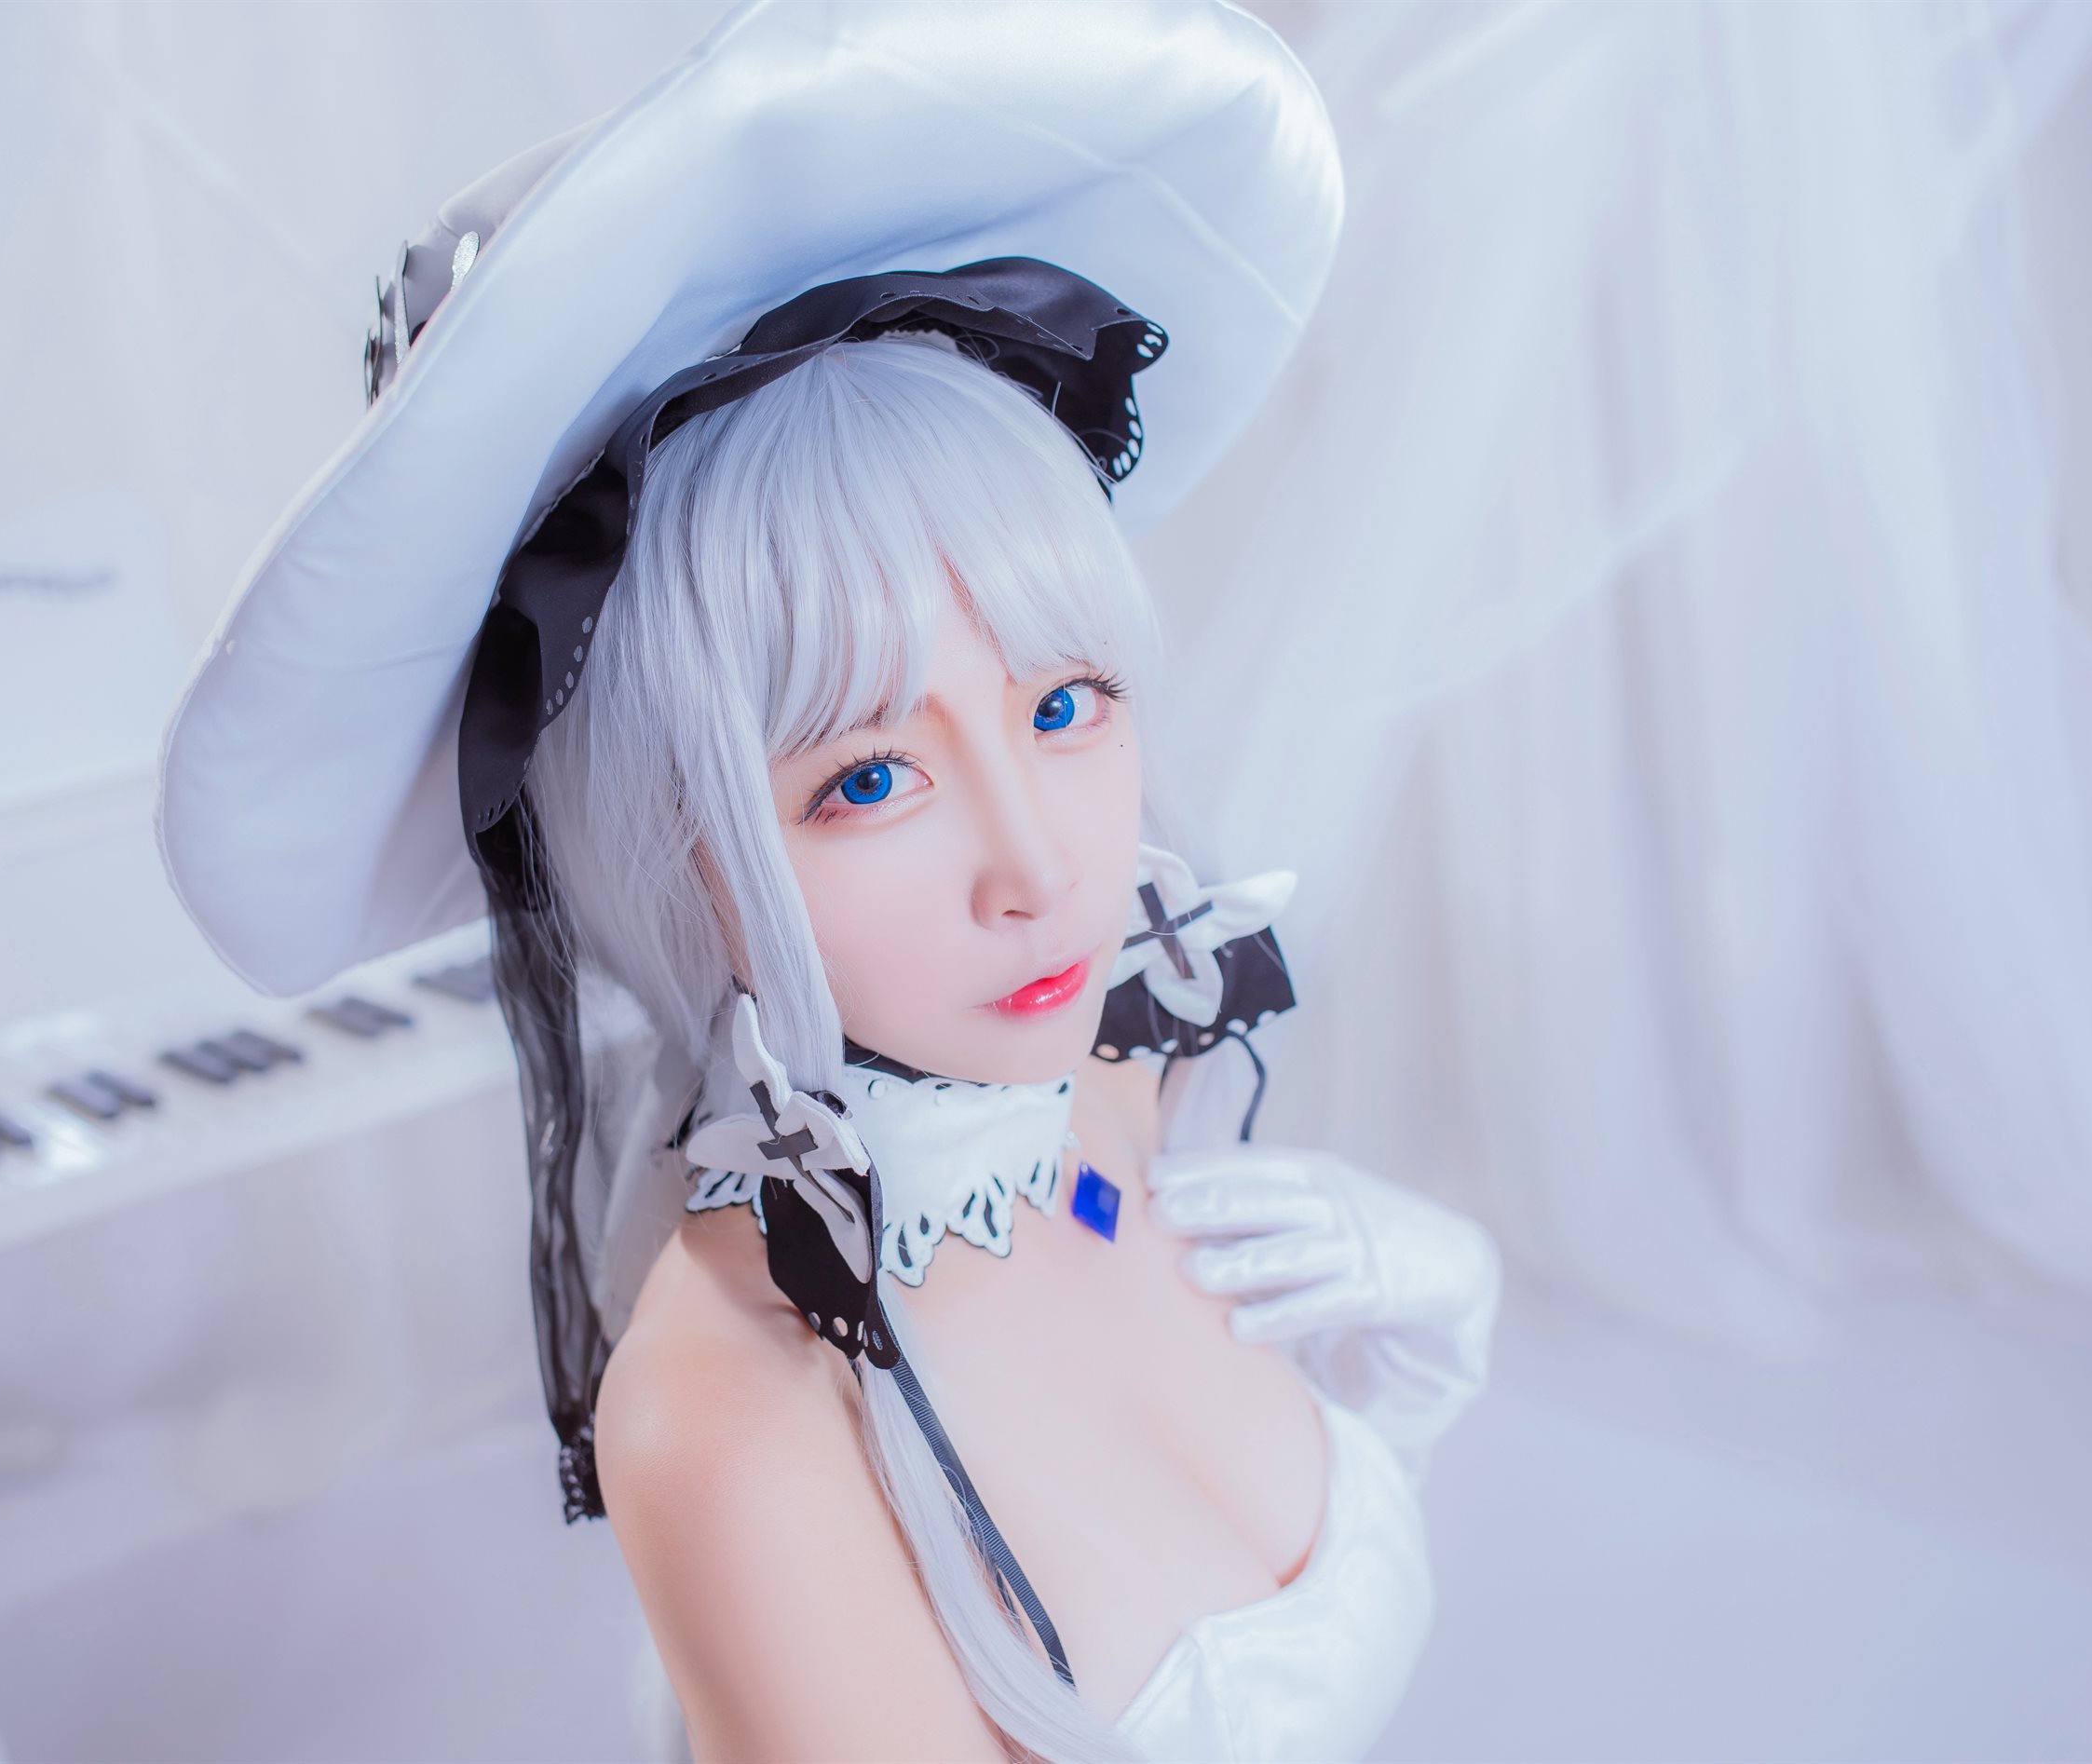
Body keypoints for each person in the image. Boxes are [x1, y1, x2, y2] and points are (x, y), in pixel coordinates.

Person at [154, 4, 1500, 1757]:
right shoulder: (736, 1425)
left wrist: (1423, 1360)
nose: (1036, 865)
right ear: (675, 850)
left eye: (1064, 704)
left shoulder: (1117, 1104)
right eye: (871, 780)